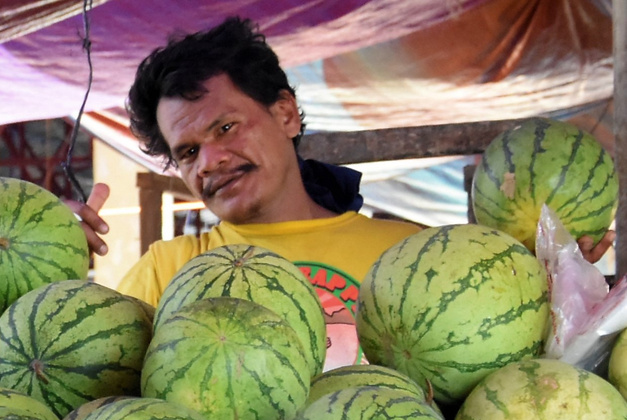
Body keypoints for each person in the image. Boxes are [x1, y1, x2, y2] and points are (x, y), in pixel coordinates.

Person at [68, 18, 614, 366]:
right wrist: (53, 267)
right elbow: (81, 376)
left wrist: (554, 289)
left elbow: (510, 374)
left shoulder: (416, 252)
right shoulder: (167, 270)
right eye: (187, 152)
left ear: (284, 113)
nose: (210, 161)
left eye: (225, 128)